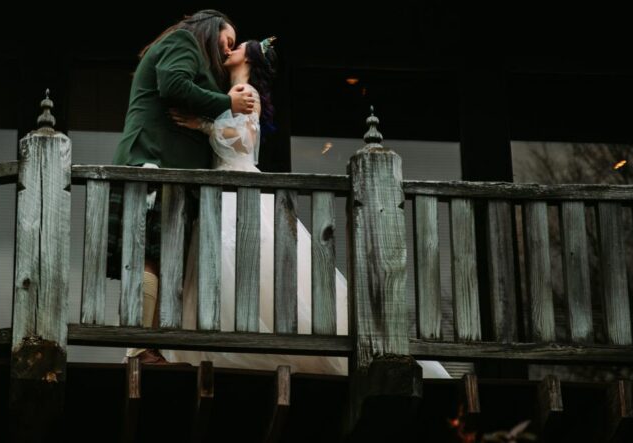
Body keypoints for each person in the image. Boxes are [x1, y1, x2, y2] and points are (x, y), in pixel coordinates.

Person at [162, 38, 450, 379]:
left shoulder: (245, 91)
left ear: (249, 59)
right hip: (223, 187)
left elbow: (245, 141)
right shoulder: (231, 91)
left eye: (236, 47)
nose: (229, 50)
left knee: (253, 258)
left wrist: (204, 125)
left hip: (239, 184)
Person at [110, 10, 258, 363]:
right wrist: (228, 102)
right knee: (149, 255)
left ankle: (150, 346)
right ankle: (138, 348)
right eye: (227, 39)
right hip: (154, 163)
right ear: (210, 28)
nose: (228, 49)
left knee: (164, 260)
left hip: (173, 176)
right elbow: (174, 85)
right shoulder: (184, 41)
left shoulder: (200, 61)